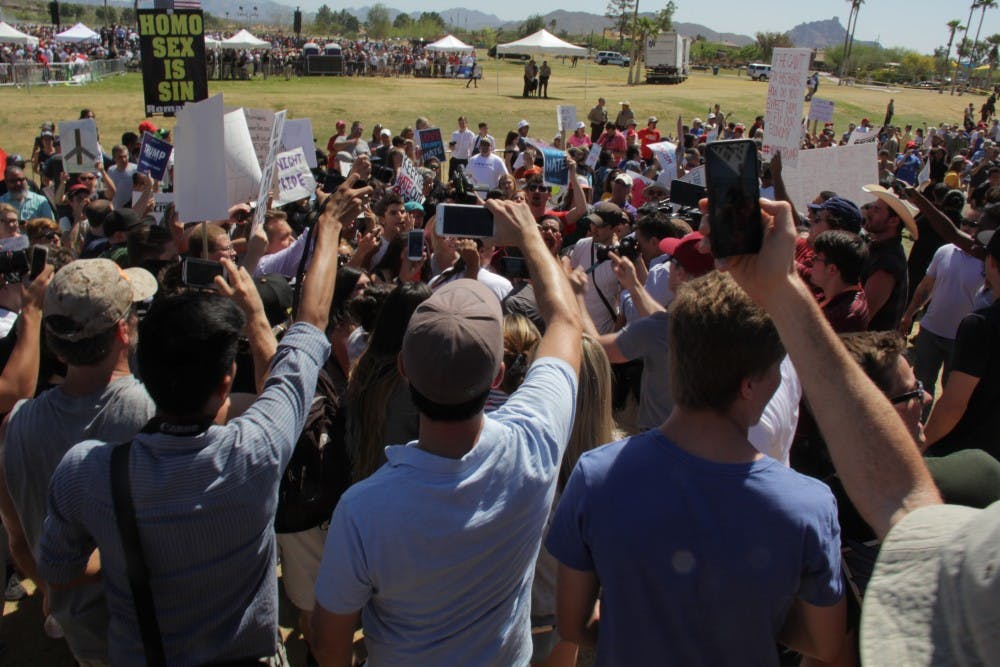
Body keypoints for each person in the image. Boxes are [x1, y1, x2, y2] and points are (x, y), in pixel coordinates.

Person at [36, 178, 372, 664]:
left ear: (142, 370)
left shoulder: (85, 471)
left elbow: (59, 571)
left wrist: (133, 549)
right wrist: (327, 225)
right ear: (225, 384)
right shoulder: (258, 448)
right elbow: (311, 324)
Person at [311, 198, 582, 665]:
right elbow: (566, 321)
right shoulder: (534, 442)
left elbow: (329, 641)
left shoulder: (363, 509)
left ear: (403, 369)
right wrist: (529, 235)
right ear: (498, 376)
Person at [546, 270, 846, 664]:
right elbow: (825, 642)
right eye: (777, 367)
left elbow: (573, 626)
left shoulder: (596, 475)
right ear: (748, 384)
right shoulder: (810, 505)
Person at [0, 260, 151, 664]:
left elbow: (18, 540)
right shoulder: (153, 414)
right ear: (124, 330)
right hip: (151, 625)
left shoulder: (15, 426)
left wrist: (52, 591)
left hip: (81, 629)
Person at [922, 228, 1000, 461]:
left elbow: (953, 406)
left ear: (992, 263)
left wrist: (921, 444)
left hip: (967, 453)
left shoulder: (981, 326)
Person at [900, 220, 984, 410]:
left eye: (974, 224)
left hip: (962, 341)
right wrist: (909, 314)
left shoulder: (987, 262)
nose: (968, 227)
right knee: (920, 387)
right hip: (930, 331)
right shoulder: (945, 251)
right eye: (965, 222)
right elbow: (926, 287)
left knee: (952, 397)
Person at [860, 185, 917, 332]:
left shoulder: (888, 262)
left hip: (869, 345)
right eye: (872, 207)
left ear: (893, 221)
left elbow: (863, 314)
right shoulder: (874, 246)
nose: (869, 212)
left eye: (877, 210)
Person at [809, 230, 870, 333]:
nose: (811, 261)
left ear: (832, 269)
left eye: (816, 258)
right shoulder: (839, 293)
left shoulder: (845, 316)